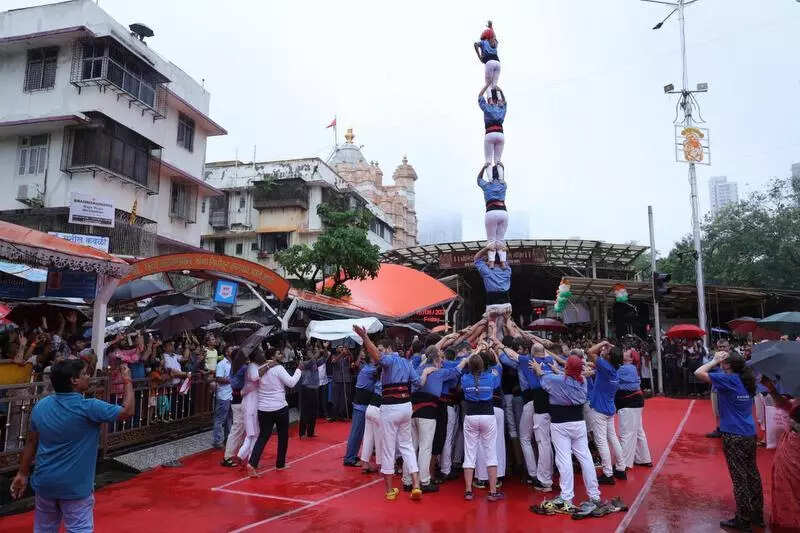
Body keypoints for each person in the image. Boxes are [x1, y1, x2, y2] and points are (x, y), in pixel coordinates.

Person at [10, 359, 134, 532]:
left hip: (45, 483)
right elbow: (127, 411)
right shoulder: (89, 407)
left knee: (44, 529)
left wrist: (22, 473)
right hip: (75, 487)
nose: (89, 377)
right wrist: (127, 379)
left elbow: (31, 442)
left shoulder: (42, 406)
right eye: (84, 374)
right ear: (74, 380)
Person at [353, 325, 423, 501]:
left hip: (390, 408)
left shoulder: (390, 360)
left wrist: (365, 338)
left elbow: (377, 356)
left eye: (383, 349)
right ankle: (416, 485)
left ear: (390, 349)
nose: (380, 352)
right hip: (406, 406)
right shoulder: (407, 363)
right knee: (407, 446)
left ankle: (390, 491)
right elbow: (417, 383)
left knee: (388, 448)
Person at [695, 352, 763, 532]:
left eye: (724, 363)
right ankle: (757, 514)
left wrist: (714, 360)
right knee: (752, 474)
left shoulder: (730, 380)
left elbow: (698, 373)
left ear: (728, 366)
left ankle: (743, 518)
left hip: (733, 434)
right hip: (749, 432)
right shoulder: (747, 380)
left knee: (739, 478)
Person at [532, 355, 602, 516]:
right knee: (585, 457)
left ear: (567, 368)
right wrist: (559, 370)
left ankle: (566, 496)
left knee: (563, 459)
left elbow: (544, 378)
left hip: (560, 424)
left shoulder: (557, 381)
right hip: (578, 423)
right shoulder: (582, 381)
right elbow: (567, 377)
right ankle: (594, 495)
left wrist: (538, 369)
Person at [499, 337, 554, 491]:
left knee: (526, 438)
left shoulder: (526, 361)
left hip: (533, 401)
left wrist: (499, 345)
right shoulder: (550, 360)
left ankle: (537, 476)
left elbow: (508, 356)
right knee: (545, 441)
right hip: (550, 402)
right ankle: (545, 475)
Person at [247, 349, 301, 477]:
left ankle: (252, 463)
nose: (281, 355)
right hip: (279, 407)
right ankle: (280, 463)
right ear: (272, 356)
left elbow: (254, 378)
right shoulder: (278, 368)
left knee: (263, 437)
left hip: (263, 408)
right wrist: (299, 370)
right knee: (283, 436)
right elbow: (291, 383)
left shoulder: (259, 369)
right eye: (278, 353)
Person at [460, 345, 504, 502]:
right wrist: (493, 353)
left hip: (471, 416)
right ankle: (492, 492)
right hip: (487, 416)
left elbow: (464, 365)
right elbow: (498, 366)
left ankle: (468, 491)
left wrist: (475, 352)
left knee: (470, 453)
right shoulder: (491, 377)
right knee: (490, 453)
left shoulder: (464, 378)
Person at [760, 376, 800, 530]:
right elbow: (785, 405)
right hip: (791, 446)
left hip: (794, 448)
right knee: (786, 487)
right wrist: (772, 389)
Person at [587, 342, 627, 485]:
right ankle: (621, 468)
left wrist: (604, 342)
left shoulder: (605, 366)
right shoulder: (614, 370)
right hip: (609, 409)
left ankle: (608, 473)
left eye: (607, 350)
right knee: (613, 439)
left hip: (599, 409)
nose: (605, 349)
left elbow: (590, 352)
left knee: (601, 441)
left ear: (609, 357)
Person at [616, 347, 652, 469]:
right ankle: (643, 458)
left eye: (626, 351)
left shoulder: (624, 368)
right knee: (637, 431)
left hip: (629, 403)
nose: (624, 351)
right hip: (636, 402)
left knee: (626, 433)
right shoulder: (632, 368)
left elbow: (611, 376)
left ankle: (624, 464)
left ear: (631, 358)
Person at [343, 355, 379, 467]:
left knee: (362, 433)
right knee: (356, 433)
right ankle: (349, 458)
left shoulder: (368, 368)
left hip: (363, 404)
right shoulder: (370, 370)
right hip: (361, 406)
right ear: (372, 360)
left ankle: (354, 456)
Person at [476, 164, 508, 269]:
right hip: (503, 212)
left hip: (491, 212)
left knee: (491, 240)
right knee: (500, 240)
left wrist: (484, 167)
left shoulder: (486, 185)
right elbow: (501, 178)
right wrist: (502, 168)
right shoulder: (504, 185)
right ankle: (503, 263)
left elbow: (478, 179)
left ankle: (491, 262)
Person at [221, 348, 248, 467]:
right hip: (239, 401)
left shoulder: (235, 367)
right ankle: (228, 456)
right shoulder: (242, 368)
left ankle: (240, 453)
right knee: (237, 428)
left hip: (237, 400)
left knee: (240, 428)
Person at [298, 348, 325, 438]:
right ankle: (302, 432)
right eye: (309, 352)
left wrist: (324, 348)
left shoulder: (315, 362)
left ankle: (310, 432)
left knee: (313, 411)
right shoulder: (304, 363)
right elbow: (312, 360)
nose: (311, 354)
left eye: (311, 352)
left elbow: (325, 356)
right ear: (306, 354)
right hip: (306, 388)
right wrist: (317, 352)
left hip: (315, 388)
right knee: (305, 411)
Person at [478, 86, 507, 170]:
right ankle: (500, 179)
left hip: (490, 133)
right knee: (498, 160)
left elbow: (480, 96)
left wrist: (487, 85)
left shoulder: (487, 107)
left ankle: (490, 180)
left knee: (488, 161)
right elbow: (504, 101)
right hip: (500, 134)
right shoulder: (501, 108)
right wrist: (499, 90)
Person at [212, 345, 233, 449]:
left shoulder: (233, 364)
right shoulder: (222, 364)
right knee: (220, 419)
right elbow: (219, 378)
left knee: (230, 418)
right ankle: (217, 440)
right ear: (227, 353)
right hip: (223, 395)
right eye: (231, 349)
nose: (233, 350)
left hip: (231, 395)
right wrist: (231, 379)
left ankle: (228, 439)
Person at [473, 21, 500, 90]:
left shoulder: (483, 42)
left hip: (489, 63)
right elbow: (494, 36)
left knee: (488, 84)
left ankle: (490, 100)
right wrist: (491, 27)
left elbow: (475, 45)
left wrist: (479, 56)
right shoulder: (495, 43)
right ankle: (499, 99)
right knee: (494, 84)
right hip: (498, 63)